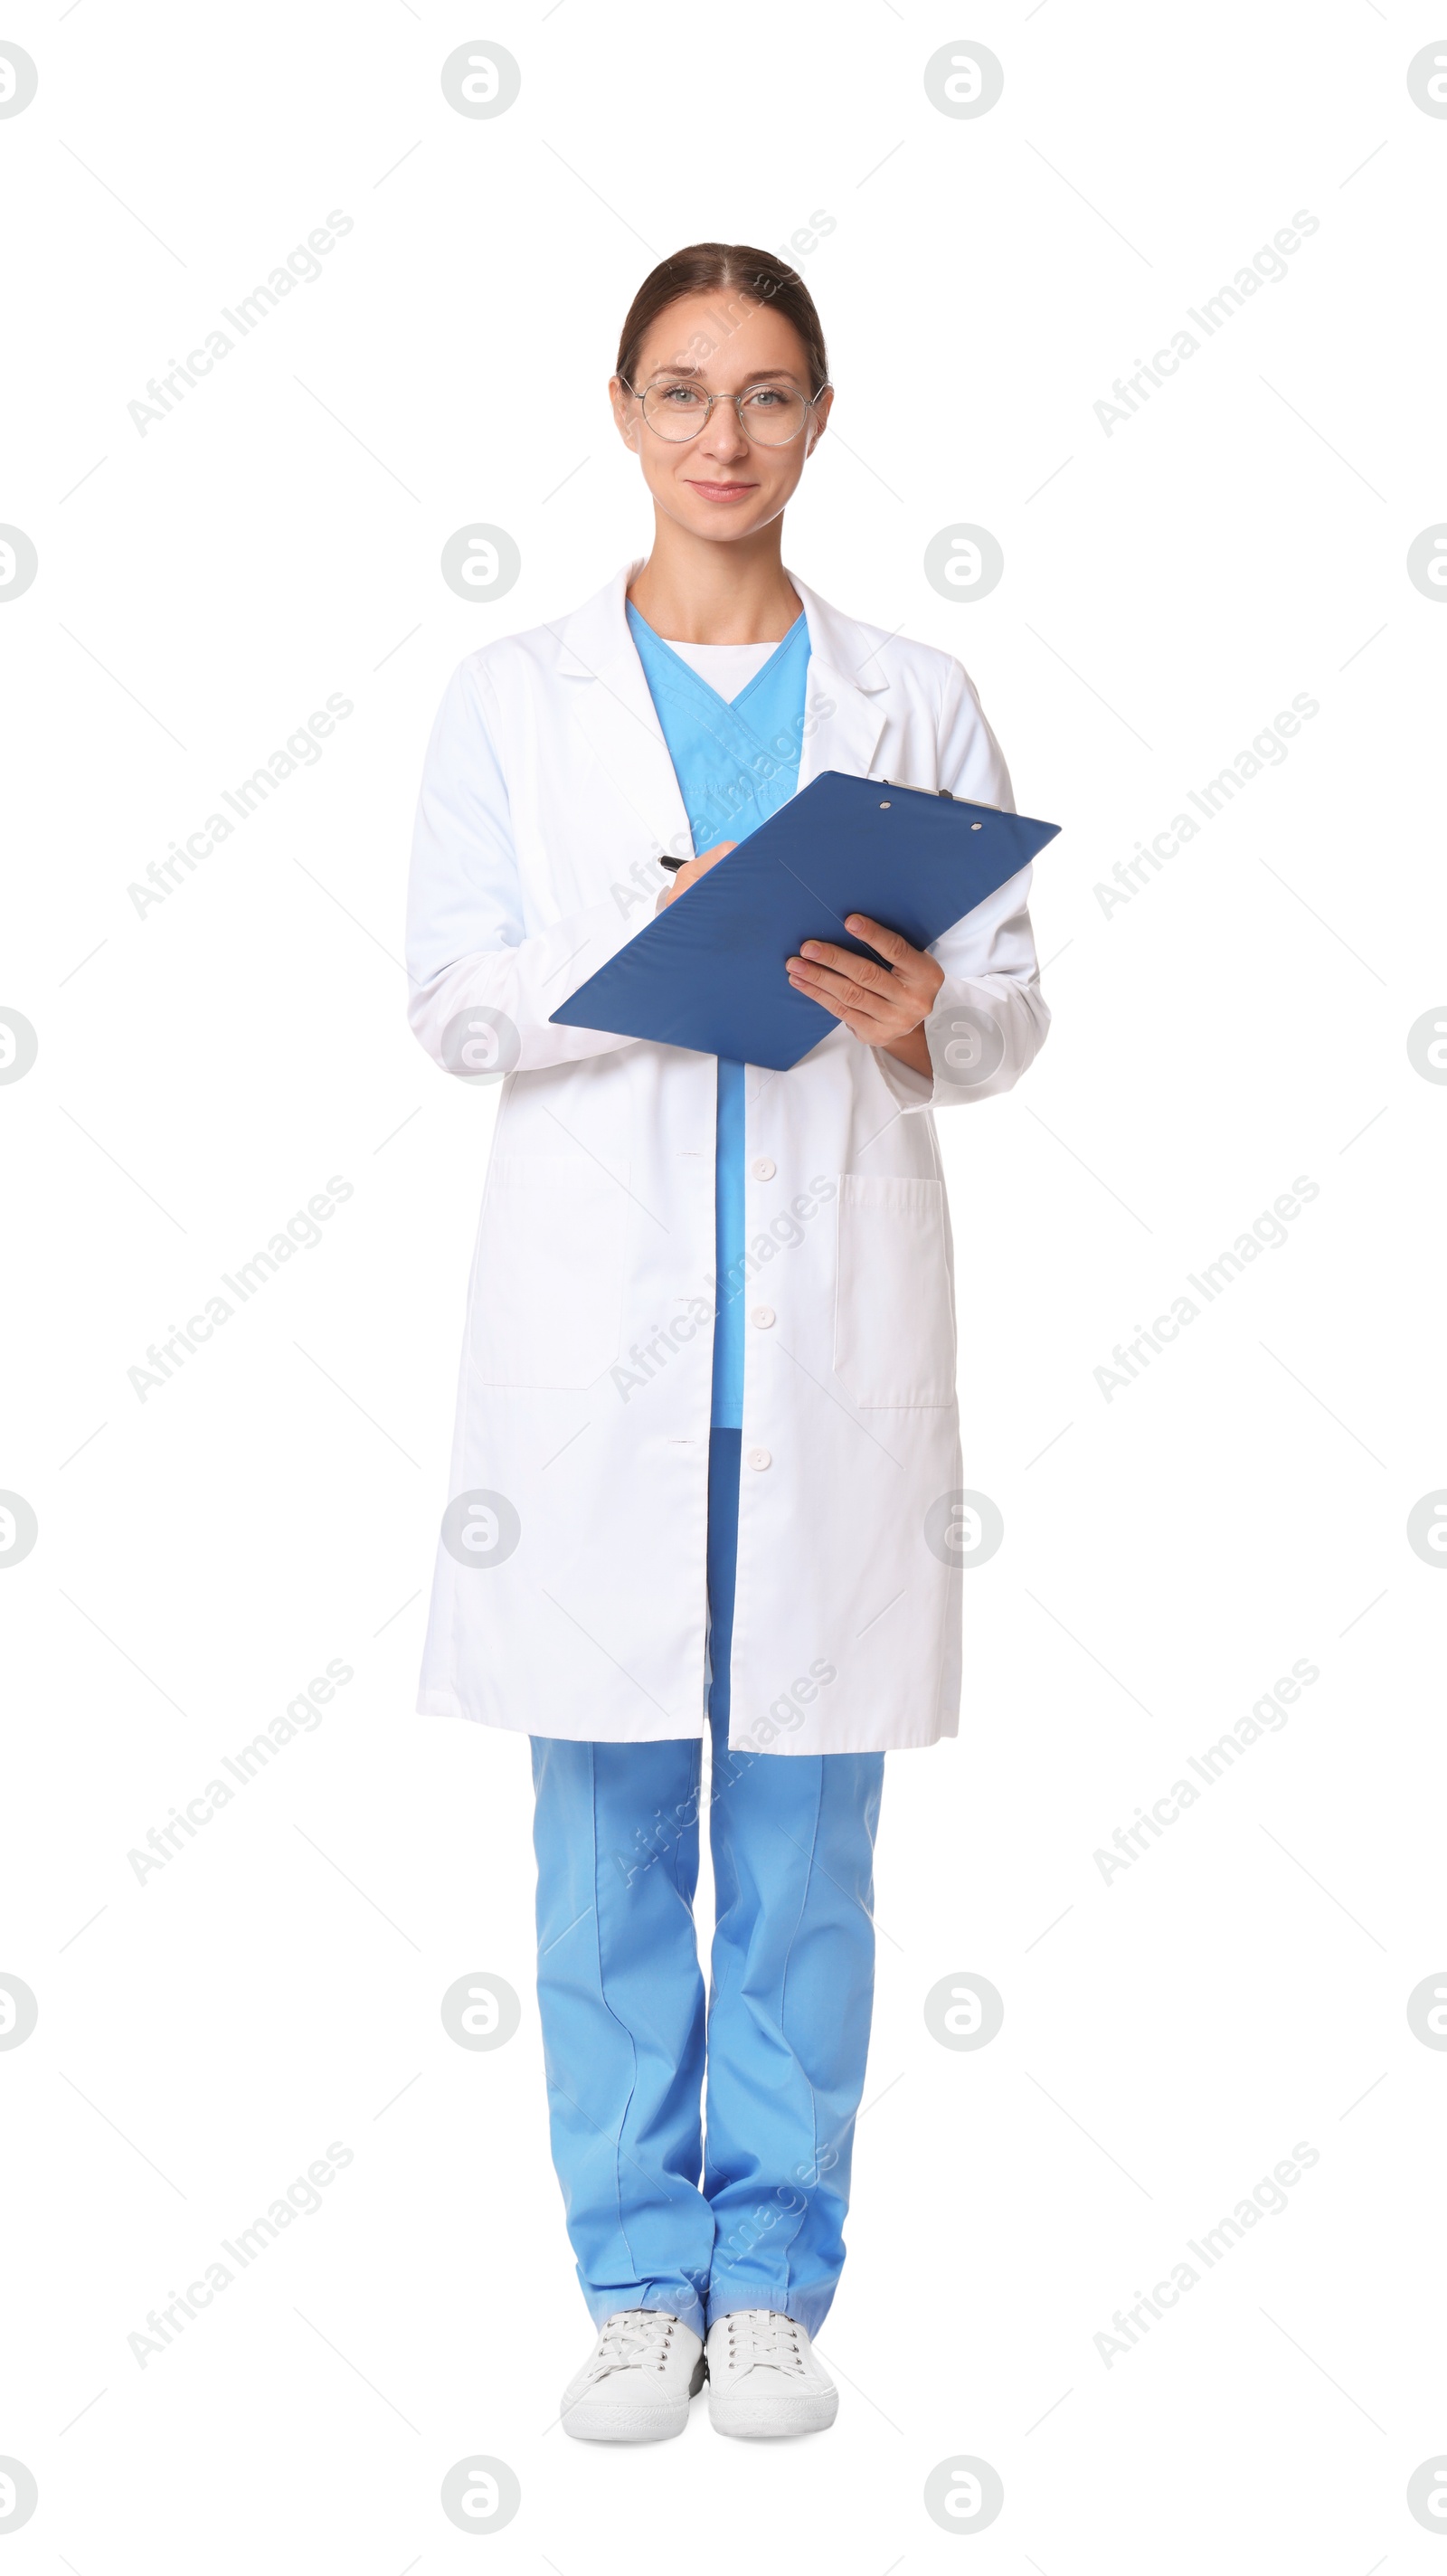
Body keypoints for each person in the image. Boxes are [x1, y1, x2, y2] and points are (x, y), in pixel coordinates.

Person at [405, 242, 1049, 2441]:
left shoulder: (912, 698)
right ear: (617, 412)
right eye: (681, 393)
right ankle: (630, 2276)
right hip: (594, 1352)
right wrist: (642, 933)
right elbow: (449, 998)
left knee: (798, 1830)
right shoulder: (512, 698)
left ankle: (768, 2274)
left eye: (766, 396)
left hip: (823, 1348)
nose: (721, 437)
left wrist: (920, 1020)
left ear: (817, 421)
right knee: (601, 1833)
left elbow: (1008, 1007)